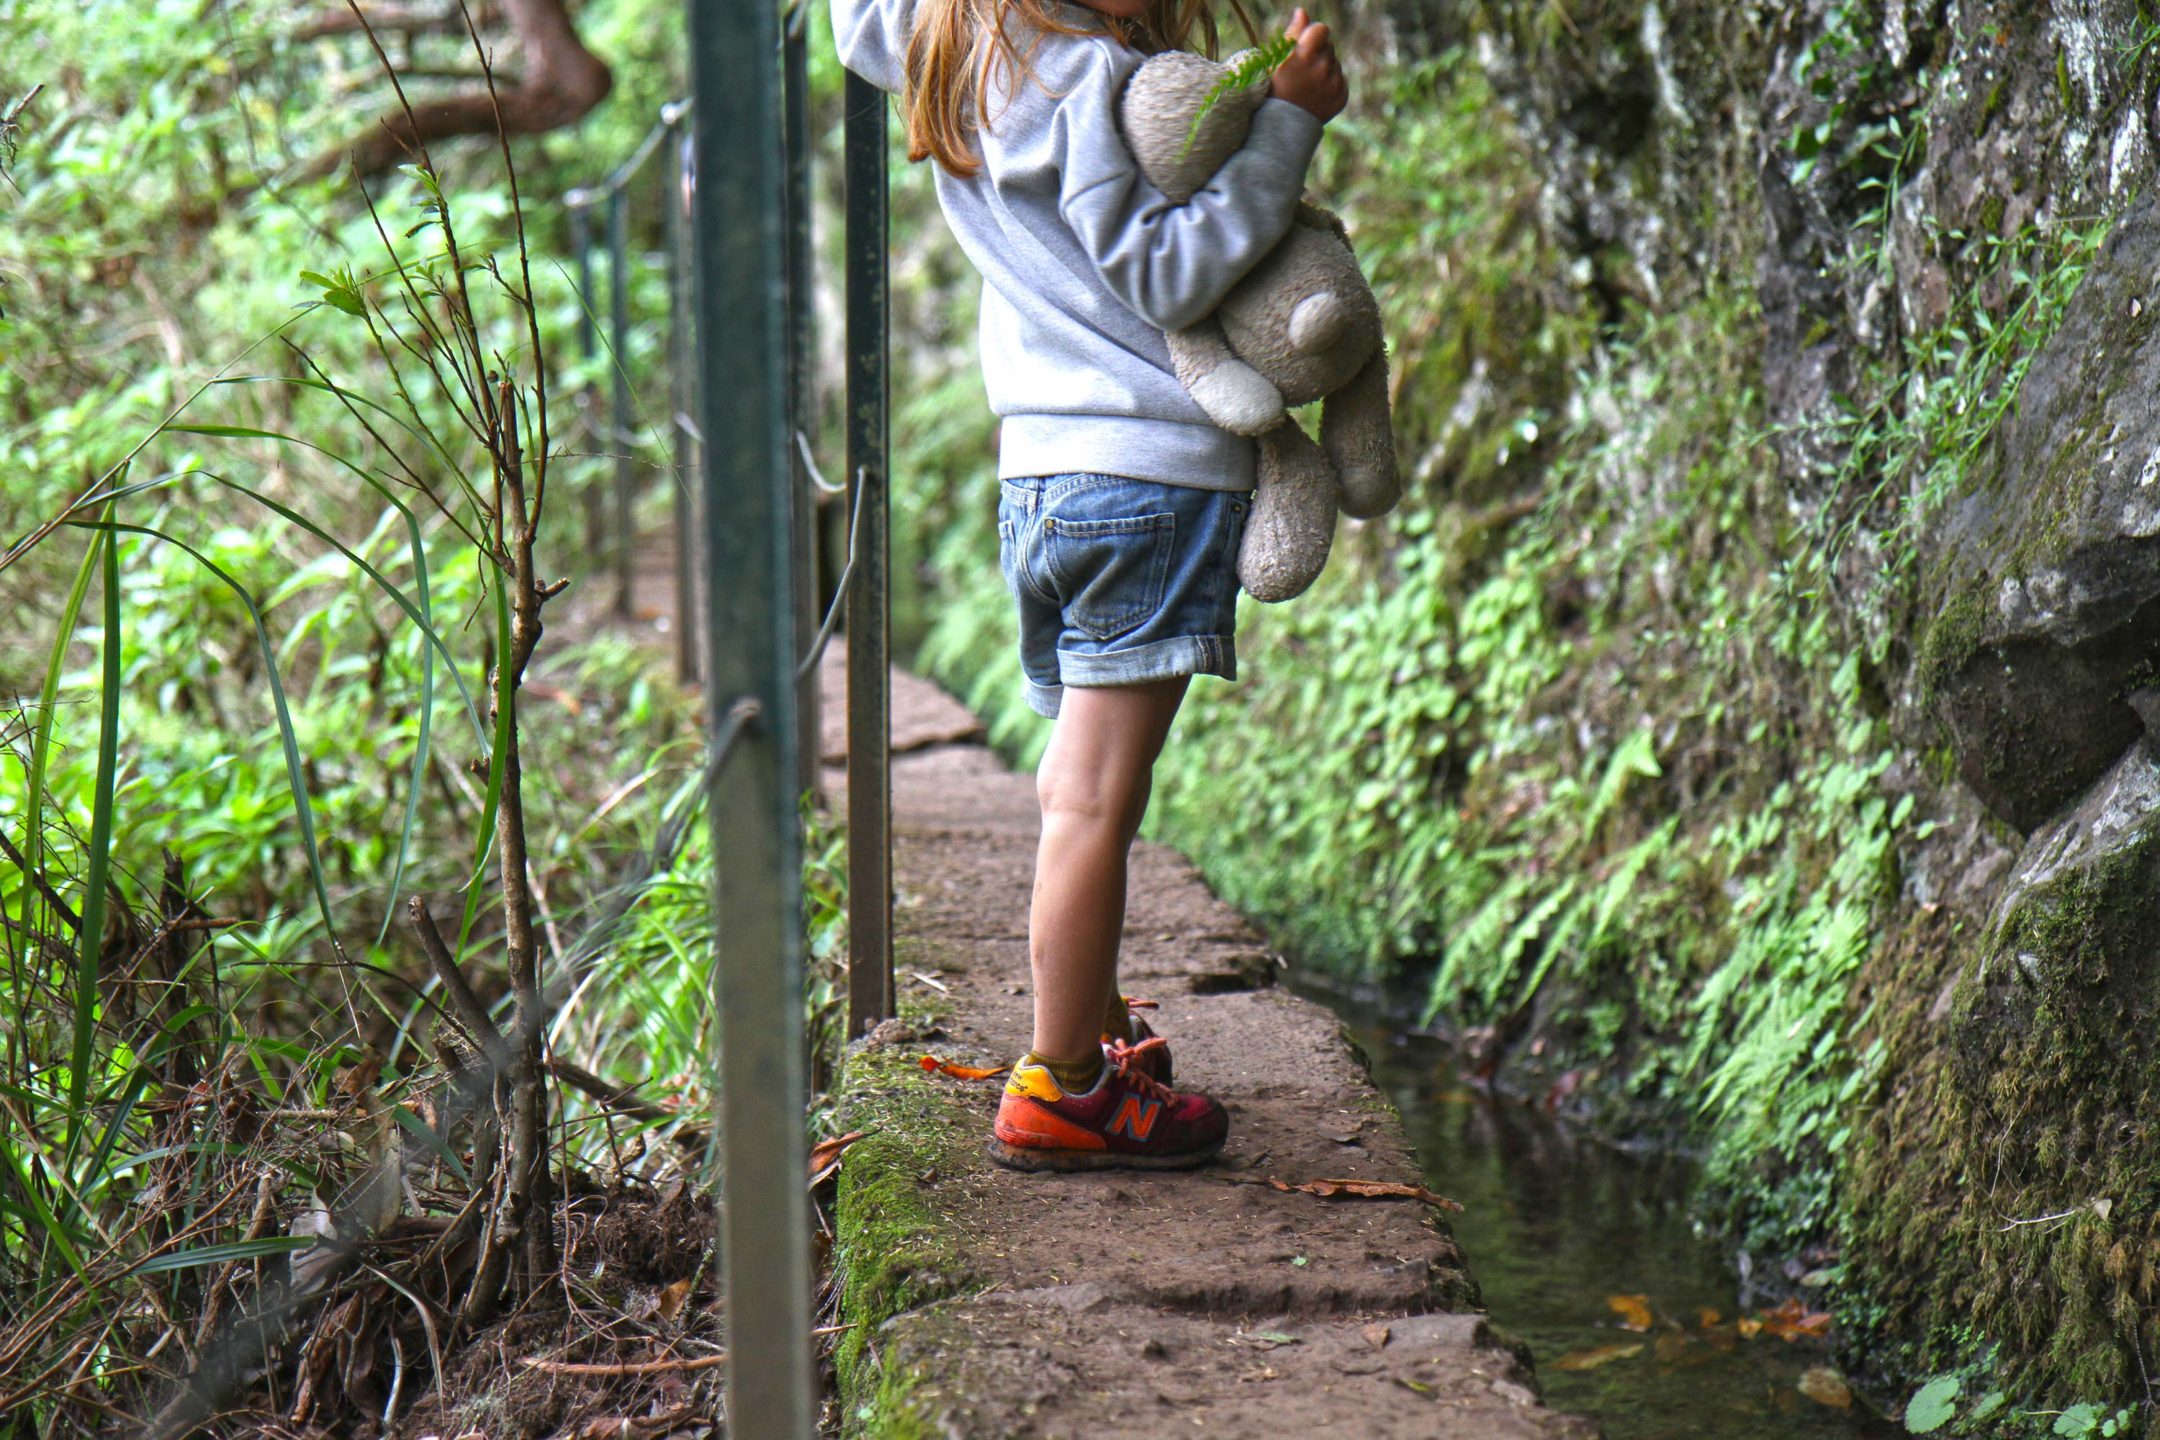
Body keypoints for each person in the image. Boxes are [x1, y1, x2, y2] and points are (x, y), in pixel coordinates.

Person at [833, 0, 1347, 1169]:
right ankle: (1063, 1085)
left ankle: (1089, 1019)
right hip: (1148, 471)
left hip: (1043, 479)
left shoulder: (952, 49)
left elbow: (848, 21)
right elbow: (1165, 274)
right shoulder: (1095, 84)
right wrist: (1286, 130)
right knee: (1097, 800)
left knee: (1077, 778)